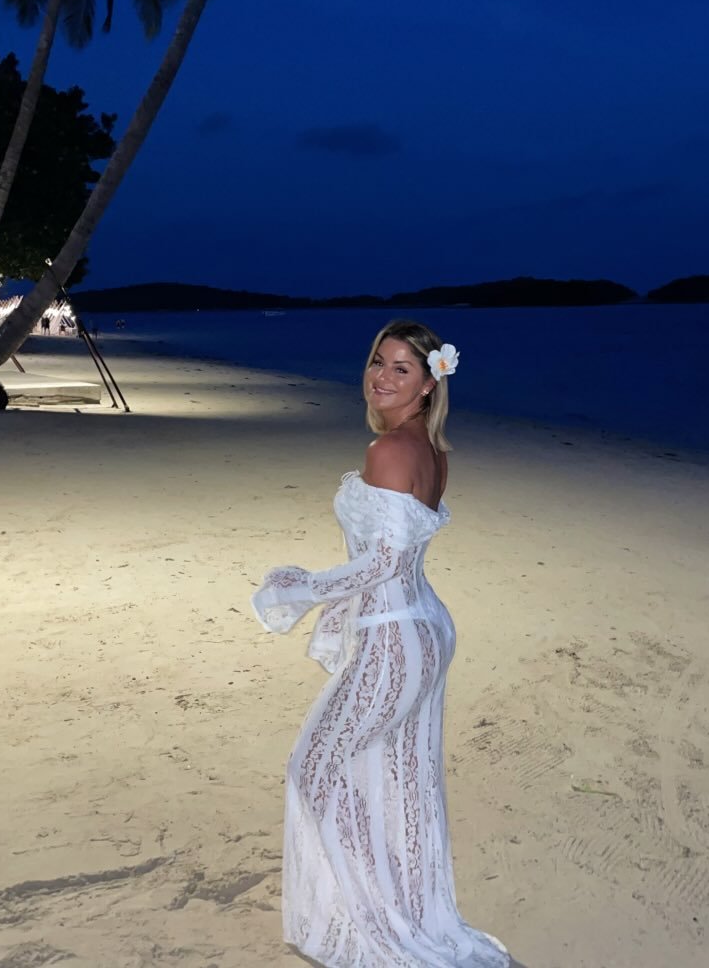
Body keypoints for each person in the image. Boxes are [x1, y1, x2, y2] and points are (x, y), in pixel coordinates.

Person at [252, 320, 509, 968]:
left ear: (428, 384)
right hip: (421, 630)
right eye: (377, 361)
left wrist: (299, 588)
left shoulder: (391, 450)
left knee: (315, 769)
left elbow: (385, 564)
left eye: (401, 368)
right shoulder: (430, 448)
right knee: (395, 781)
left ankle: (374, 922)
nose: (382, 377)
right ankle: (395, 909)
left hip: (394, 639)